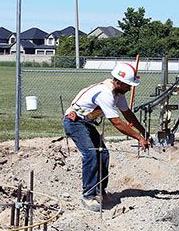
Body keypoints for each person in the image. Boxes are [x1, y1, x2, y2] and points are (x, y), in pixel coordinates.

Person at [64, 61, 150, 212]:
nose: (130, 88)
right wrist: (139, 138)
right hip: (75, 122)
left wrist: (143, 130)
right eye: (128, 85)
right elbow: (117, 122)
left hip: (86, 123)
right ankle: (88, 196)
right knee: (91, 154)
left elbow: (127, 113)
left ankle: (99, 191)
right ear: (118, 82)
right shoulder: (105, 93)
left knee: (103, 154)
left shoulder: (118, 93)